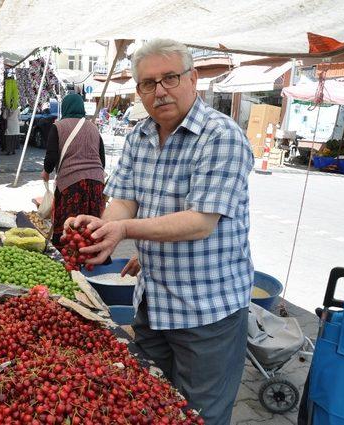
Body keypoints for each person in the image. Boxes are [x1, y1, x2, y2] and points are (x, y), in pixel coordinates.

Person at [68, 39, 254, 424]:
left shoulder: (221, 136)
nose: (160, 91)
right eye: (149, 83)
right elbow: (124, 201)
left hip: (206, 311)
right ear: (139, 91)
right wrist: (103, 224)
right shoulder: (140, 136)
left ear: (193, 79)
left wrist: (124, 228)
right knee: (150, 406)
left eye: (170, 78)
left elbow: (200, 222)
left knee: (199, 415)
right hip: (153, 302)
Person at [41, 93, 106, 246]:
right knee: (92, 224)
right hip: (96, 184)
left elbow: (51, 155)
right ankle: (93, 256)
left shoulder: (58, 126)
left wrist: (46, 171)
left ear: (65, 107)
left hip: (71, 184)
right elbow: (101, 158)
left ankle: (67, 258)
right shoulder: (93, 127)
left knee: (69, 225)